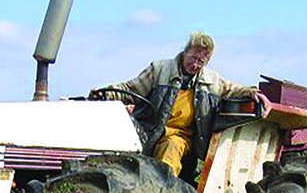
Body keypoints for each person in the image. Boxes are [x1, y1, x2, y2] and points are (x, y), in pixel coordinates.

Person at [89, 32, 270, 177]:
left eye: (201, 61)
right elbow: (131, 89)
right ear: (185, 52)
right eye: (193, 57)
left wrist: (251, 92)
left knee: (171, 147)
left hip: (181, 137)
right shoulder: (159, 69)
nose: (195, 64)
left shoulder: (212, 81)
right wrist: (104, 93)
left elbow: (231, 89)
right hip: (149, 131)